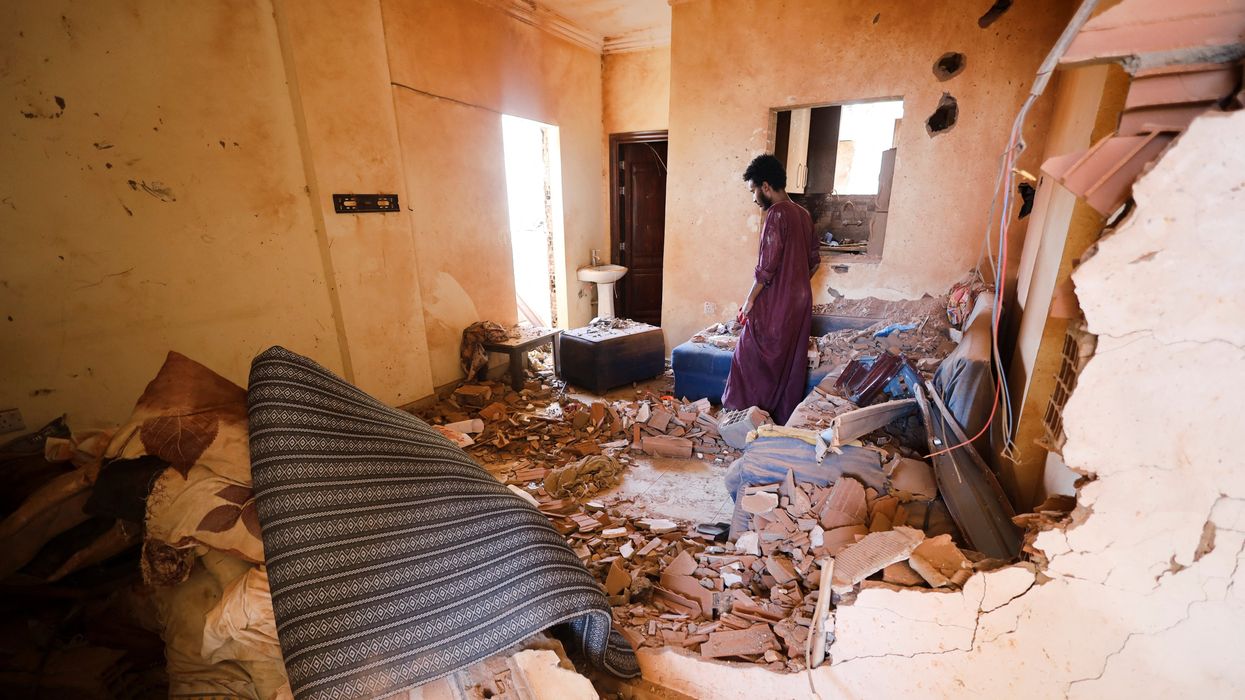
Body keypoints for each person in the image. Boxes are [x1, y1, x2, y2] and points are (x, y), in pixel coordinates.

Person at [721, 154, 820, 425]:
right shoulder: (803, 214)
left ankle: (742, 417)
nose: (753, 198)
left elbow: (766, 267)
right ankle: (780, 419)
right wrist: (795, 281)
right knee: (789, 362)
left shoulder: (777, 214)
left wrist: (749, 301)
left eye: (753, 190)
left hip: (776, 302)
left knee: (746, 355)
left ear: (765, 186)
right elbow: (814, 262)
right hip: (800, 302)